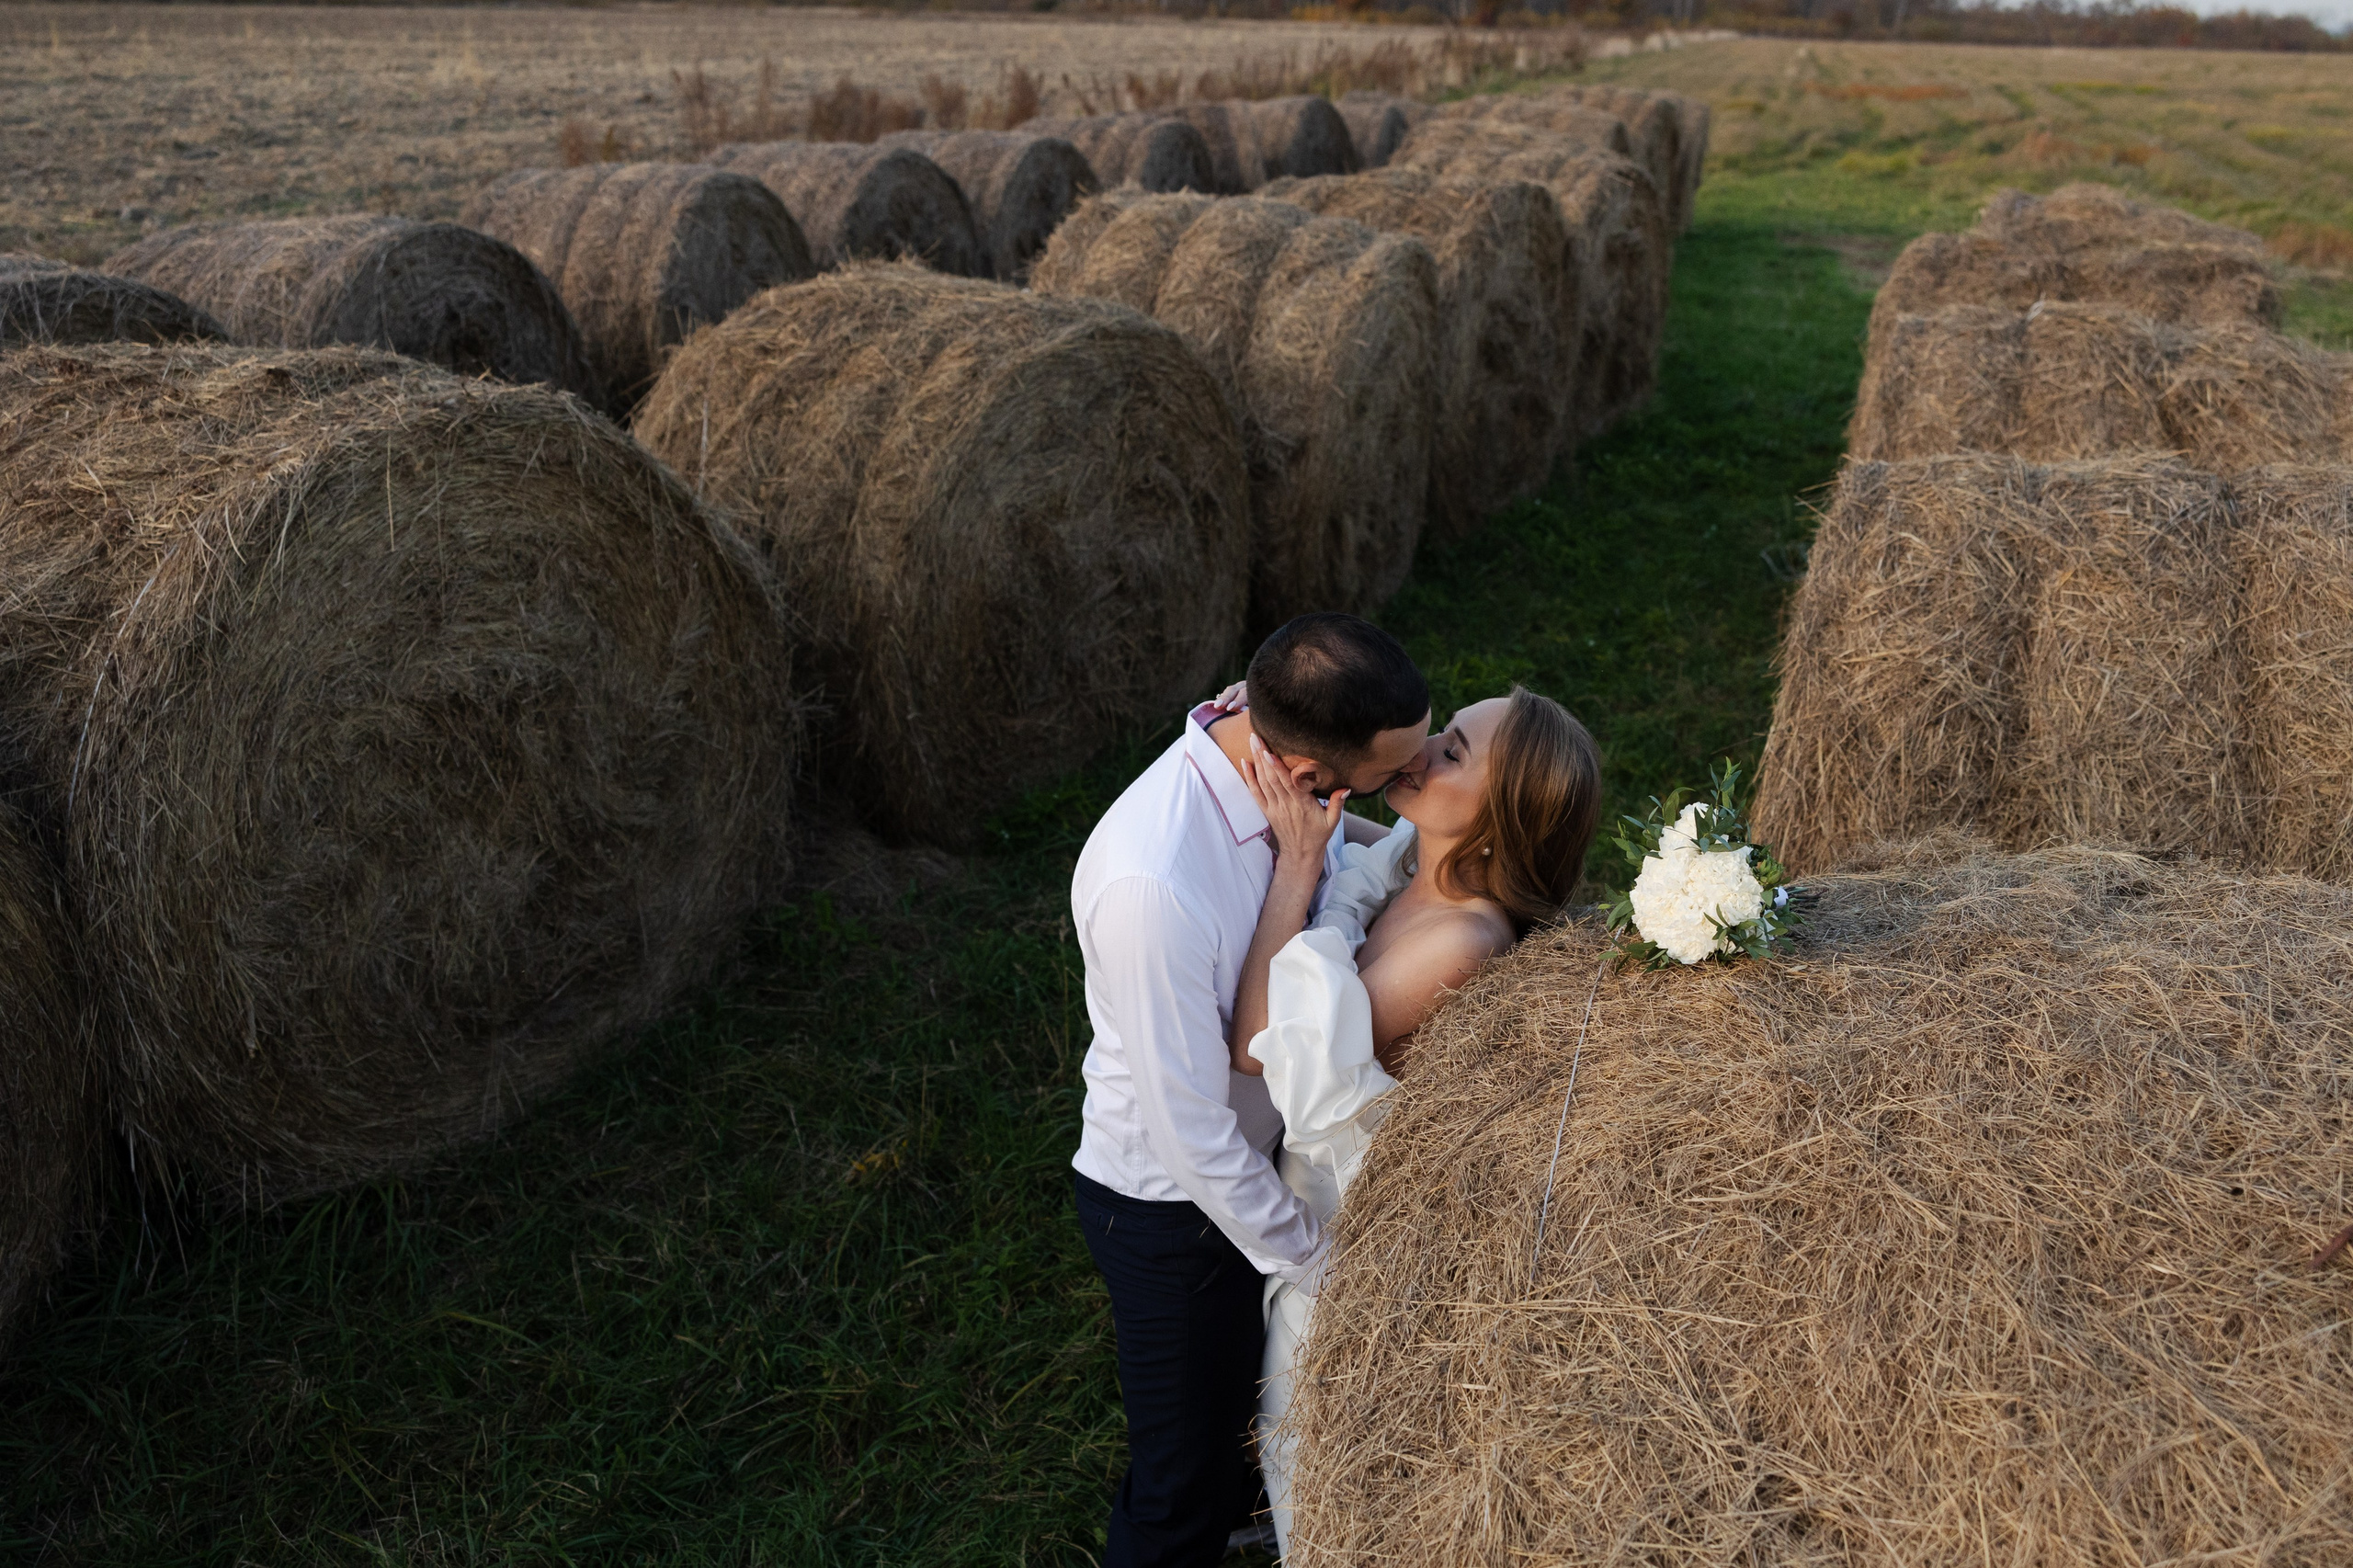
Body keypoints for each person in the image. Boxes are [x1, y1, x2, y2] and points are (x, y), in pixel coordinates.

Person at [1069, 613, 1432, 1568]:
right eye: (1383, 782)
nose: (1395, 797)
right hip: (1175, 1210)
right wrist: (1318, 1261)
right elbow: (1190, 1134)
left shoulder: (1262, 746)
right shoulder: (1153, 885)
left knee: (1233, 1431)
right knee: (1178, 1488)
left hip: (1261, 1158)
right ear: (1307, 774)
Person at [1229, 685, 1603, 1556]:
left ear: (1503, 814)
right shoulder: (1410, 861)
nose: (1421, 754)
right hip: (1301, 1192)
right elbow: (1361, 840)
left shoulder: (1461, 943)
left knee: (1313, 1463)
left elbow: (1257, 1042)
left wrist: (1295, 868)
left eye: (1455, 755)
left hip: (1346, 1236)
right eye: (1444, 733)